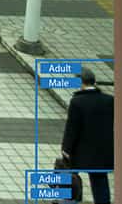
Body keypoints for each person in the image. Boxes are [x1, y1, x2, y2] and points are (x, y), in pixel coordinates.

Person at [62, 67, 114, 204]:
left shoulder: (77, 102)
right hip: (102, 150)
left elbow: (72, 128)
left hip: (80, 149)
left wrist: (66, 149)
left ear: (81, 82)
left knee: (70, 176)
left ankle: (71, 200)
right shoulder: (109, 100)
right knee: (100, 181)